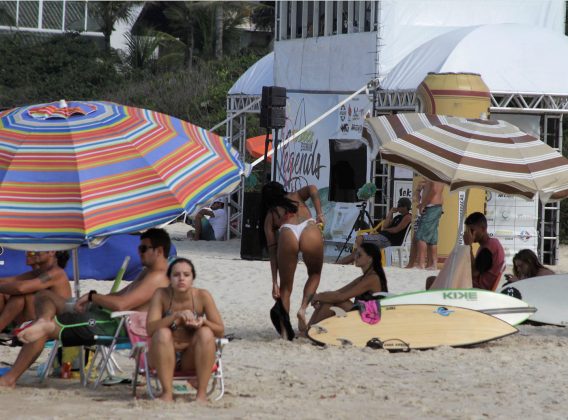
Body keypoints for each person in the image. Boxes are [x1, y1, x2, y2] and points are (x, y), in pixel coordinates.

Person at [0, 228, 171, 388]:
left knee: (45, 329)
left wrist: (92, 297)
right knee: (44, 295)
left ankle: (10, 378)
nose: (138, 252)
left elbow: (122, 304)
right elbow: (118, 296)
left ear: (159, 251)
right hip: (105, 316)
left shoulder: (158, 277)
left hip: (113, 324)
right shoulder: (147, 273)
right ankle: (43, 321)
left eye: (143, 248)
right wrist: (93, 299)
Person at [146, 258, 224, 403]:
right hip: (163, 353)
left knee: (206, 333)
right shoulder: (161, 295)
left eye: (186, 275)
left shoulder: (202, 296)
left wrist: (203, 321)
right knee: (163, 333)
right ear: (169, 278)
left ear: (192, 278)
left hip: (190, 356)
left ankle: (201, 394)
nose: (181, 278)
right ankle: (167, 393)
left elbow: (220, 330)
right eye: (176, 275)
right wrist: (176, 317)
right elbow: (150, 329)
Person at [262, 181, 325, 338]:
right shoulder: (296, 195)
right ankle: (303, 309)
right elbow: (312, 188)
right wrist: (319, 213)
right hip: (308, 227)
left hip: (287, 232)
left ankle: (284, 331)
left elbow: (272, 251)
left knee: (285, 289)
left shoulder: (270, 215)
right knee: (315, 274)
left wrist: (274, 281)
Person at [309, 242, 388, 326]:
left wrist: (317, 297)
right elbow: (338, 292)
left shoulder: (373, 278)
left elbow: (341, 297)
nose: (355, 257)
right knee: (329, 298)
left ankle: (311, 331)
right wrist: (320, 297)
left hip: (371, 320)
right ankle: (309, 330)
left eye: (359, 255)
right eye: (356, 254)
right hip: (363, 314)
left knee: (331, 300)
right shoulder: (364, 278)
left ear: (370, 258)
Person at [0, 251, 71, 334]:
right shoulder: (39, 272)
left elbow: (21, 288)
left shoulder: (56, 273)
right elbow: (8, 281)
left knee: (22, 295)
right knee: (3, 293)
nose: (33, 251)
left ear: (52, 252)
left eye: (39, 248)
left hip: (54, 323)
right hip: (40, 317)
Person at [337, 197, 412, 265]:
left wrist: (385, 230)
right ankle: (357, 259)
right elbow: (385, 226)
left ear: (405, 207)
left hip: (389, 240)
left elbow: (396, 230)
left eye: (399, 206)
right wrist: (390, 212)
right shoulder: (398, 217)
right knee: (359, 244)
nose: (397, 208)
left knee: (360, 239)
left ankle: (357, 260)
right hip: (383, 237)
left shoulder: (408, 217)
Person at [413, 180, 444, 270]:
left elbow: (434, 190)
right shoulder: (432, 176)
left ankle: (421, 263)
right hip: (434, 207)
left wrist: (423, 204)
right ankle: (433, 264)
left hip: (432, 207)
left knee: (421, 236)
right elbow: (417, 197)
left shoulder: (434, 174)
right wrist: (418, 190)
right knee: (432, 238)